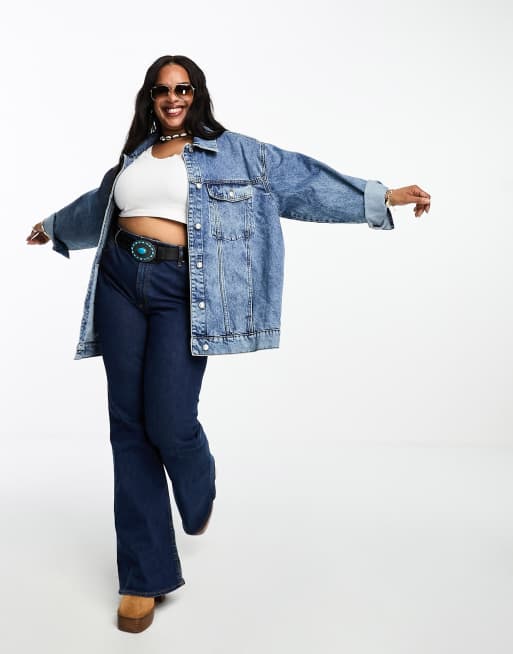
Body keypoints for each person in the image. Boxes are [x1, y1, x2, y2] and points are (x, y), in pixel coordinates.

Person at [26, 54, 431, 633]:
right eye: (162, 89)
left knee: (170, 421)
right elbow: (101, 205)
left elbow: (304, 181)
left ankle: (198, 484)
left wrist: (381, 196)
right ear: (149, 98)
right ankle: (142, 577)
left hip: (181, 289)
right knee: (129, 428)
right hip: (119, 282)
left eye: (183, 88)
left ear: (197, 95)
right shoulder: (134, 156)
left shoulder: (237, 153)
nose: (173, 98)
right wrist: (54, 227)